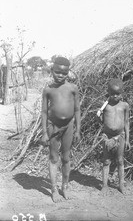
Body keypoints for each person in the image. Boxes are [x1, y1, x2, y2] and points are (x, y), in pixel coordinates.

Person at [41, 56, 81, 202]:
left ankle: (65, 186)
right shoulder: (48, 90)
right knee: (53, 158)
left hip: (69, 126)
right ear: (52, 70)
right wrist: (45, 132)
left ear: (68, 73)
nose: (60, 75)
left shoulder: (73, 88)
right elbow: (44, 112)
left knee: (66, 157)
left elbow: (77, 110)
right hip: (53, 126)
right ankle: (53, 189)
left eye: (64, 73)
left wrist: (78, 130)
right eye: (57, 72)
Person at [97, 79, 130, 194]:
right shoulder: (105, 106)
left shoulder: (125, 106)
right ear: (108, 93)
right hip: (107, 137)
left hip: (120, 136)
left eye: (118, 94)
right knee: (106, 161)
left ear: (122, 93)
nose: (115, 96)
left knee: (120, 161)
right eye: (112, 94)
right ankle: (105, 185)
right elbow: (102, 121)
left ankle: (121, 185)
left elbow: (126, 122)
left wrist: (127, 139)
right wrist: (99, 115)